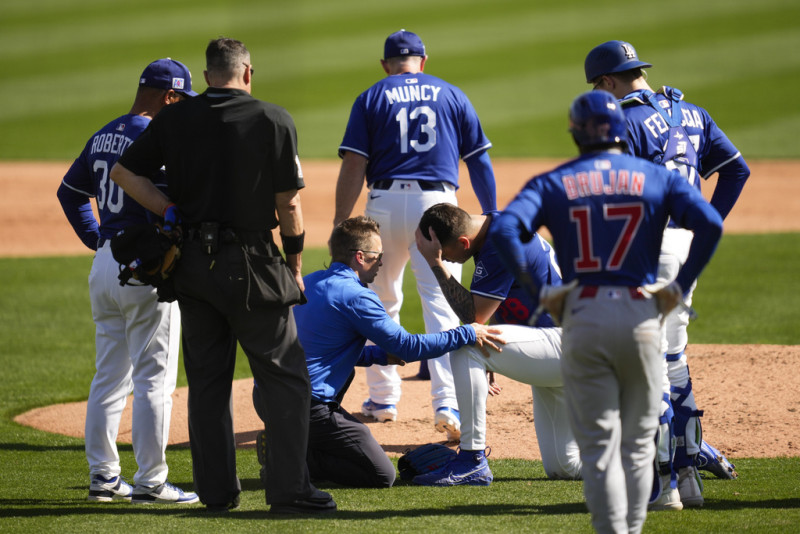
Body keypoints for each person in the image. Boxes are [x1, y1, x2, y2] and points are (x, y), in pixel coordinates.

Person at [109, 37, 335, 515]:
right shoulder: (272, 119)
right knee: (284, 379)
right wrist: (294, 263)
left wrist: (168, 208)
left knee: (208, 383)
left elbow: (124, 174)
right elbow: (289, 203)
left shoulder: (174, 117)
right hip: (253, 265)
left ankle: (216, 493)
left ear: (208, 75)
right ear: (247, 73)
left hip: (191, 265)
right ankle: (289, 490)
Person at [488, 90, 723, 533]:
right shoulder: (656, 177)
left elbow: (503, 227)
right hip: (640, 314)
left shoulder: (554, 180)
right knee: (637, 447)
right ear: (621, 130)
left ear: (575, 133)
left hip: (584, 315)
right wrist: (679, 286)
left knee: (598, 449)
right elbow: (711, 223)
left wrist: (542, 292)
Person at [584, 40, 747, 508]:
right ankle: (688, 471)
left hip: (647, 252)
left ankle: (661, 487)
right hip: (684, 250)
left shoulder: (623, 122)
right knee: (674, 362)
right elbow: (737, 171)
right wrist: (705, 225)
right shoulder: (692, 112)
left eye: (600, 87)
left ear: (610, 81)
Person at [255, 216, 504, 488]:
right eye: (378, 256)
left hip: (267, 396)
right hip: (303, 407)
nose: (382, 262)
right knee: (381, 474)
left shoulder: (310, 283)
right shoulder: (356, 296)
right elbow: (406, 345)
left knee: (342, 382)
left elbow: (322, 351)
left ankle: (287, 444)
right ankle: (286, 459)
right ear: (360, 257)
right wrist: (467, 332)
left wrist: (378, 356)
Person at [334, 29, 498, 440]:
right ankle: (449, 404)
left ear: (386, 65)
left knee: (380, 298)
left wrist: (341, 220)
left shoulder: (372, 95)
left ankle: (384, 400)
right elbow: (479, 160)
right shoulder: (451, 93)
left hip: (386, 203)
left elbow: (355, 164)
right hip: (438, 208)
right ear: (423, 61)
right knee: (442, 304)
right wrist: (490, 213)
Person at [56, 58, 199, 505]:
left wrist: (99, 241)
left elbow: (70, 192)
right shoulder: (159, 137)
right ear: (169, 97)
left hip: (106, 265)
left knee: (109, 377)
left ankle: (103, 478)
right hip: (145, 270)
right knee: (155, 379)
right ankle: (151, 482)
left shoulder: (103, 133)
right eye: (181, 101)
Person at [412, 203, 581, 484]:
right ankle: (635, 469)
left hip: (567, 343)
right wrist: (495, 351)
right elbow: (506, 295)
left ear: (464, 242)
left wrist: (435, 263)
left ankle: (471, 460)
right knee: (564, 467)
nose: (449, 260)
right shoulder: (498, 226)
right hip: (558, 343)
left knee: (466, 343)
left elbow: (473, 315)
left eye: (448, 253)